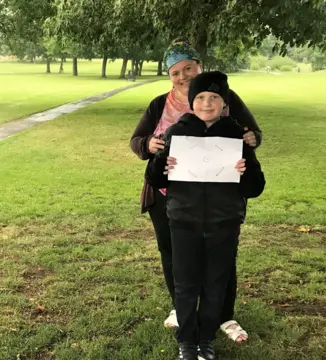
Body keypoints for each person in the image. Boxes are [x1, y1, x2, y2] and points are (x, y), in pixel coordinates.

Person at [130, 40, 261, 343]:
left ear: (199, 65)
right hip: (167, 195)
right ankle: (181, 308)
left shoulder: (224, 98)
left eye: (188, 68)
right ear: (170, 76)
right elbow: (137, 140)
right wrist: (147, 145)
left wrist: (252, 141)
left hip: (220, 198)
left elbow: (251, 134)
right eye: (175, 72)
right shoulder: (158, 104)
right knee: (172, 254)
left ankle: (224, 315)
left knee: (222, 258)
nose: (183, 75)